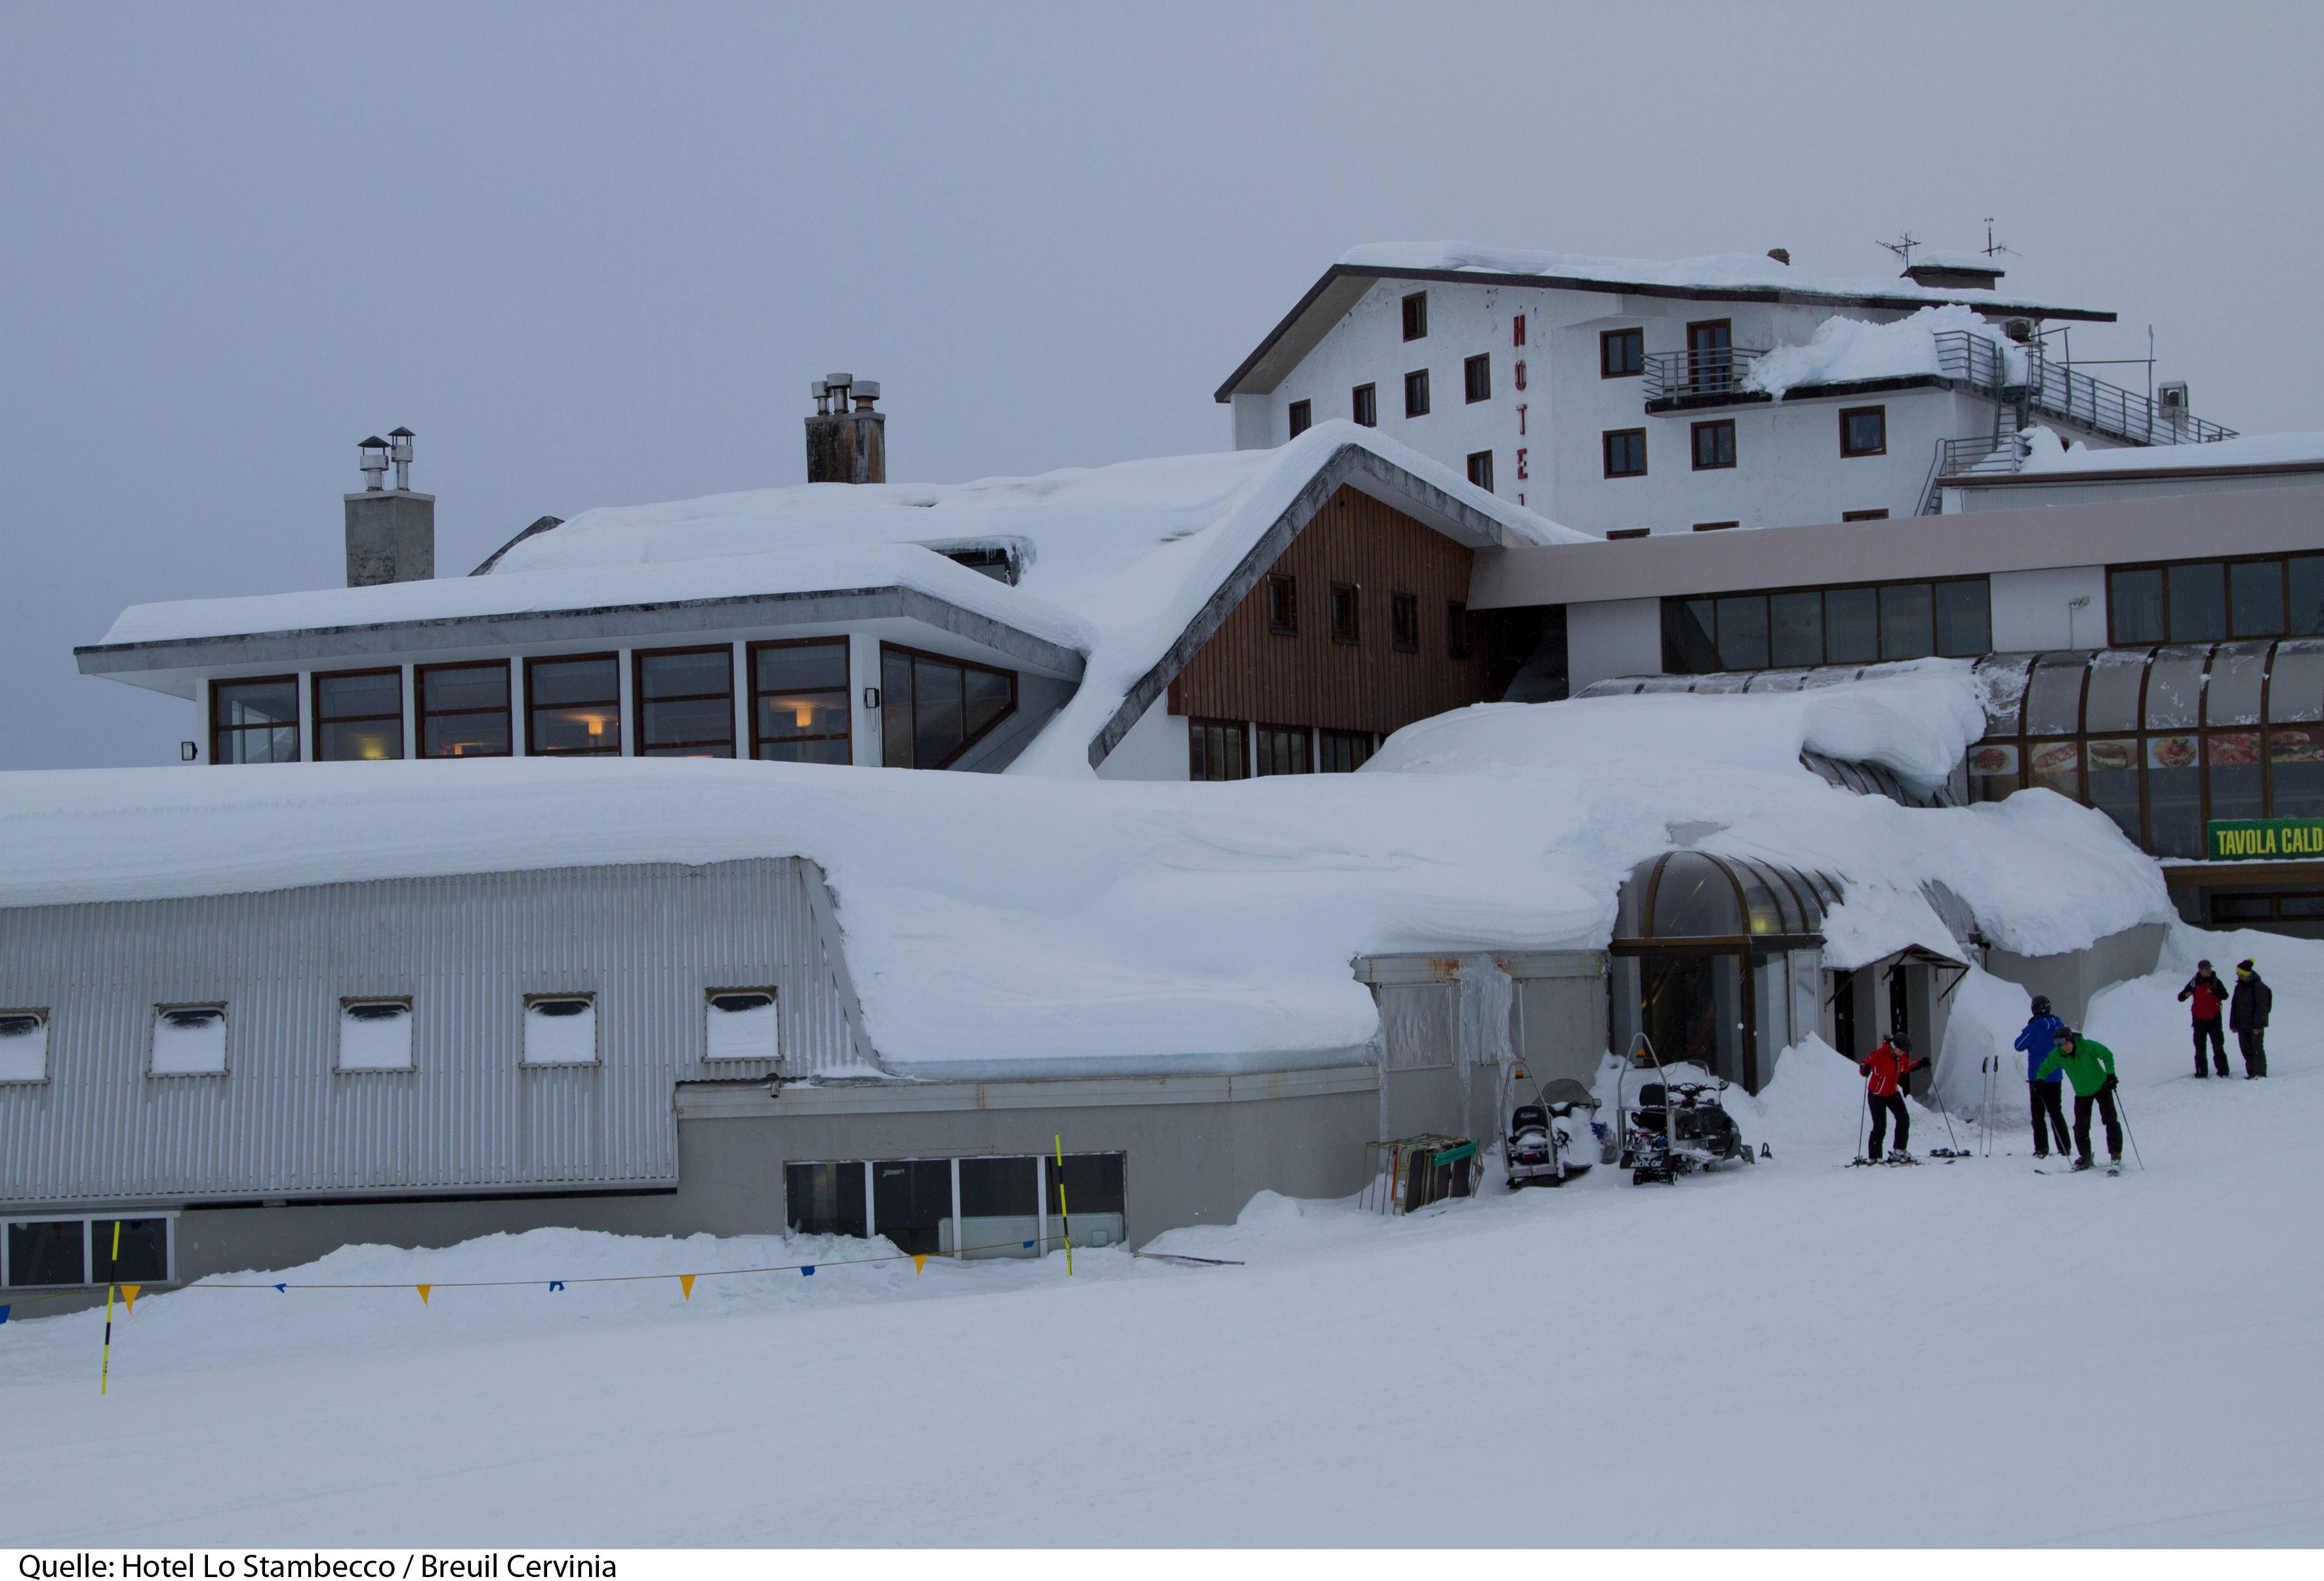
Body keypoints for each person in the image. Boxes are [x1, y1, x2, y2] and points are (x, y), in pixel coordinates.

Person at [2035, 1027, 2121, 1171]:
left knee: (2110, 1120)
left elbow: (2107, 1054)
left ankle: (2115, 1154)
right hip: (2082, 1093)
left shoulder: (2087, 1046)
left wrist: (2111, 1074)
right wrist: (2040, 1080)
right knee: (2081, 1127)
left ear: (2071, 1039)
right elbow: (2044, 1068)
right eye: (2061, 1045)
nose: (2065, 1047)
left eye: (2067, 1043)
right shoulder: (2058, 1055)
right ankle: (2085, 1156)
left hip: (2102, 1087)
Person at [2012, 995, 2073, 1159]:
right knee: (2056, 1112)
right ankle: (2065, 1148)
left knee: (2038, 1114)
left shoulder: (2035, 1027)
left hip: (2037, 1078)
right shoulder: (2059, 1025)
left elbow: (2019, 1045)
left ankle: (2042, 1149)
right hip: (2055, 1076)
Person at [1858, 1032, 1930, 1162]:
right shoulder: (1880, 1054)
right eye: (1901, 1051)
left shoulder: (1901, 1056)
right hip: (1876, 1094)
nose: (1903, 1053)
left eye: (1904, 1052)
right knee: (1880, 1126)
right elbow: (1864, 1064)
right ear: (1894, 1045)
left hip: (1892, 1093)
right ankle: (1875, 1157)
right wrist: (1865, 1069)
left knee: (1903, 1119)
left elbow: (1906, 1067)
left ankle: (1899, 1151)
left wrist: (1920, 1064)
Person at [2178, 960, 2230, 1078]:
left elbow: (2225, 996)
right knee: (2200, 1047)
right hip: (2199, 1020)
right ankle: (2201, 1072)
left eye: (2209, 968)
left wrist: (2213, 992)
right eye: (2206, 969)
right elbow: (2180, 997)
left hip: (2214, 1019)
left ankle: (2223, 1071)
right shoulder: (2194, 982)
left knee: (2218, 1045)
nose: (2209, 971)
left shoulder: (2216, 981)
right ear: (2200, 970)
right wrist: (2186, 995)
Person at [2229, 959, 2272, 1079]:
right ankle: (2252, 1073)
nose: (2237, 974)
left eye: (2238, 972)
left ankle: (2259, 1074)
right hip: (2242, 1025)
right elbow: (2235, 1007)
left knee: (2256, 1049)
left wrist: (2258, 1025)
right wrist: (2234, 1024)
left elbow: (2261, 1008)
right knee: (2246, 1049)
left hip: (2254, 1026)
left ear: (2244, 973)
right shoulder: (2239, 987)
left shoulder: (2259, 987)